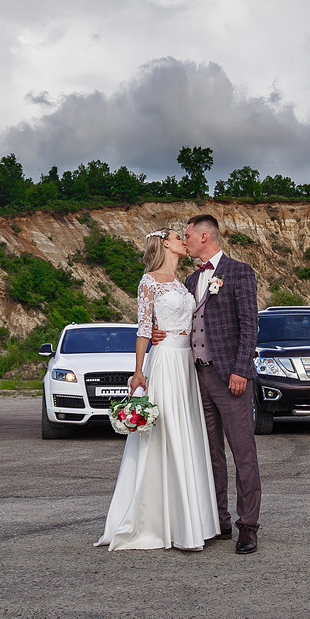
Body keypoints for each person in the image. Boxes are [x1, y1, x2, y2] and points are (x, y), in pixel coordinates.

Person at [96, 229, 217, 551]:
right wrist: (138, 371)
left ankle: (191, 520)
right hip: (164, 360)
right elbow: (144, 328)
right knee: (165, 433)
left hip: (186, 363)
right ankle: (156, 522)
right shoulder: (149, 281)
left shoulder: (184, 282)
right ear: (164, 243)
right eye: (178, 236)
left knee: (187, 432)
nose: (183, 240)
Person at [154, 213, 263, 554]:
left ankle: (248, 526)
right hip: (195, 377)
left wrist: (241, 370)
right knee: (209, 453)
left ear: (204, 237)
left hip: (230, 376)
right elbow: (181, 322)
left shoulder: (239, 271)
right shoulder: (189, 280)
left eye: (187, 235)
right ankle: (219, 520)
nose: (184, 240)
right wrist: (161, 333)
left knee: (242, 452)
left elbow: (249, 325)